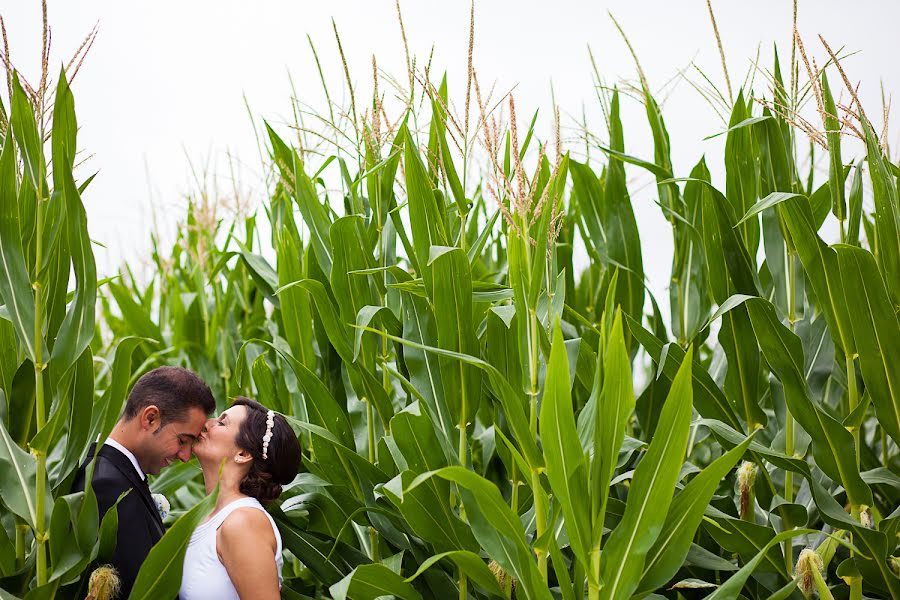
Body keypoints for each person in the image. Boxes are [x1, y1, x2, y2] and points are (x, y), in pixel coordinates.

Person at [72, 366, 216, 600]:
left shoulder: (112, 473)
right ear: (150, 418)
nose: (185, 456)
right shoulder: (108, 486)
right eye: (182, 440)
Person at [179, 397, 301, 600]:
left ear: (243, 454)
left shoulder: (242, 522)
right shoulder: (208, 519)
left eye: (221, 422)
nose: (206, 424)